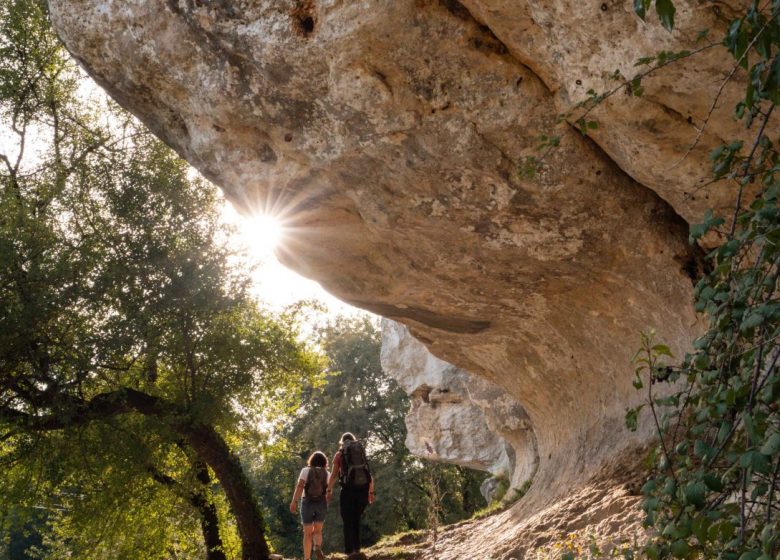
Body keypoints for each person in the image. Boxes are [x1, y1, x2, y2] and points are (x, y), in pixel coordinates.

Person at [326, 433, 375, 559]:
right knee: (356, 519)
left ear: (342, 442)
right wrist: (370, 492)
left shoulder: (340, 454)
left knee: (348, 520)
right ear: (353, 441)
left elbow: (334, 474)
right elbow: (368, 473)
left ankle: (349, 551)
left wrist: (329, 489)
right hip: (363, 489)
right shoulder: (361, 452)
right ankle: (357, 548)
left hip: (348, 490)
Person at [290, 451, 330, 560]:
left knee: (307, 533)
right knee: (318, 531)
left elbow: (299, 486)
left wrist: (294, 501)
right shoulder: (327, 474)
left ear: (311, 460)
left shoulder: (305, 470)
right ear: (324, 462)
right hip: (321, 503)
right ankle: (317, 547)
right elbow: (328, 492)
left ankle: (307, 559)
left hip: (307, 502)